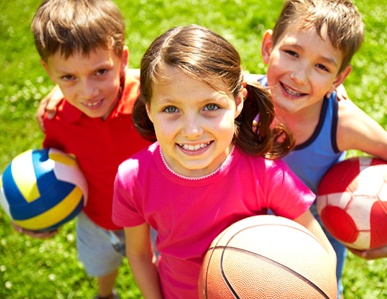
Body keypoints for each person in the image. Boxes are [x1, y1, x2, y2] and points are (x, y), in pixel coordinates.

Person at [112, 24, 336, 299]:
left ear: (238, 100)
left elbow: (321, 248)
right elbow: (138, 254)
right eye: (171, 109)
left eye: (210, 107)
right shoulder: (133, 178)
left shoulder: (263, 171)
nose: (192, 130)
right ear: (148, 109)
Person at [19, 0, 151, 298]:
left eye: (101, 72)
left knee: (156, 273)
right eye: (68, 78)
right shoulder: (57, 119)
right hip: (96, 219)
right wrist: (44, 214)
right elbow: (57, 170)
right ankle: (105, 294)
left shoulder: (151, 105)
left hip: (152, 219)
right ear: (48, 71)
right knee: (101, 266)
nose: (88, 92)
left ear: (123, 58)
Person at [257, 0, 387, 296]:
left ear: (338, 78)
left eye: (322, 67)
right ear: (268, 47)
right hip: (246, 239)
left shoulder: (342, 122)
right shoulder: (241, 101)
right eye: (291, 53)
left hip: (314, 248)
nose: (300, 76)